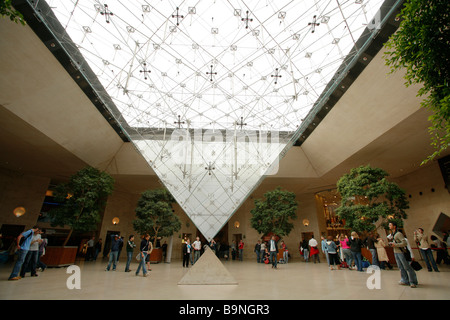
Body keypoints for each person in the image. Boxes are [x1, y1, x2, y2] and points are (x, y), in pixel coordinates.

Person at [388, 222, 418, 288]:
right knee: (401, 267)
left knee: (407, 266)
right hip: (396, 252)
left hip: (401, 252)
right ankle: (404, 280)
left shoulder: (398, 234)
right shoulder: (393, 234)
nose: (389, 226)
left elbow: (404, 243)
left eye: (390, 225)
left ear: (394, 226)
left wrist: (395, 245)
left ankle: (412, 281)